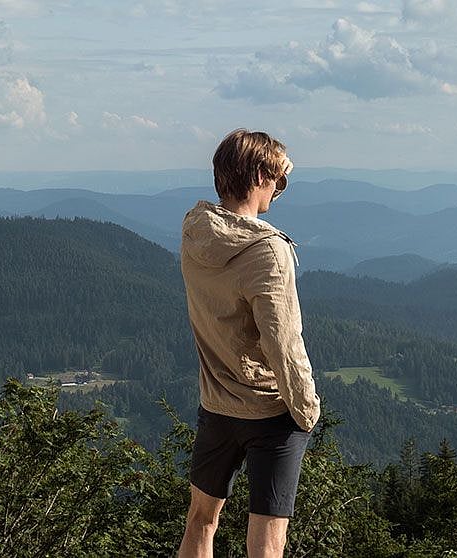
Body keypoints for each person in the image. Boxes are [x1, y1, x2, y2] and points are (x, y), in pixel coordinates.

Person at [177, 129, 321, 558]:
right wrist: (306, 408)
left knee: (201, 522)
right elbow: (283, 341)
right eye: (279, 178)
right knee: (267, 541)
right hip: (270, 409)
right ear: (260, 175)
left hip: (216, 403)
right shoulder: (267, 251)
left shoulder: (195, 233)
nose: (280, 190)